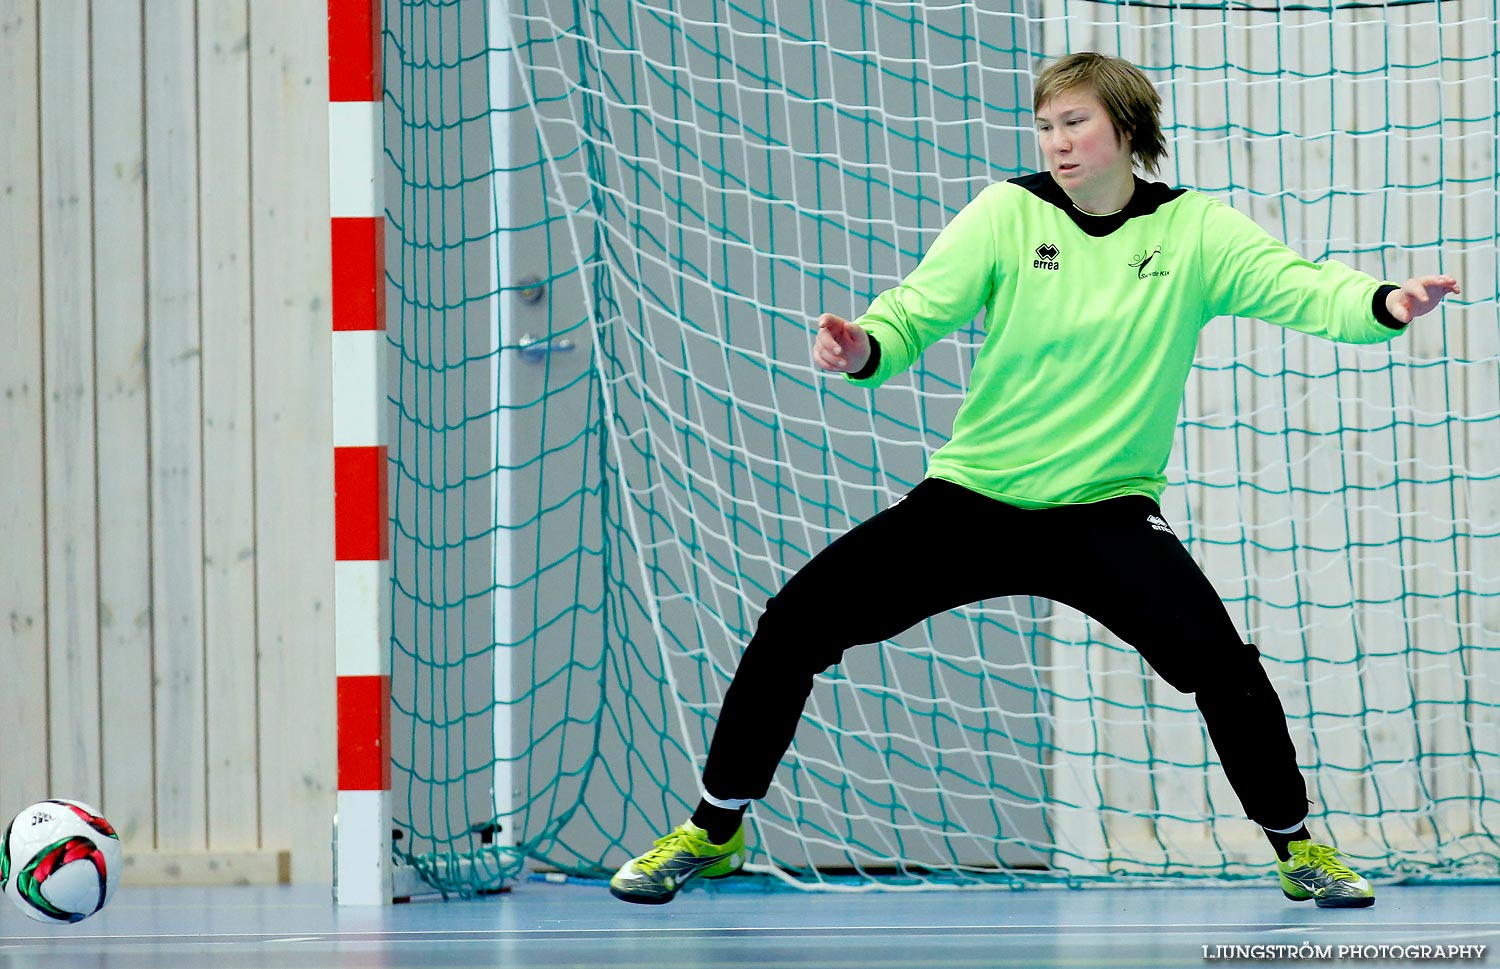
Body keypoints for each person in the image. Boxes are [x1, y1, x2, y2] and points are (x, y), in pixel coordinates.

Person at [608, 51, 1460, 908]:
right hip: (974, 501)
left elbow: (1301, 287)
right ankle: (713, 832)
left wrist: (1386, 303)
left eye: (1076, 122)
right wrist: (861, 346)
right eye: (1046, 125)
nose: (1056, 141)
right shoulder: (1007, 213)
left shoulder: (1195, 232)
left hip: (1106, 515)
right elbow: (913, 311)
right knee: (793, 624)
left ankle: (1297, 849)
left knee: (1224, 668)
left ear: (1127, 129)